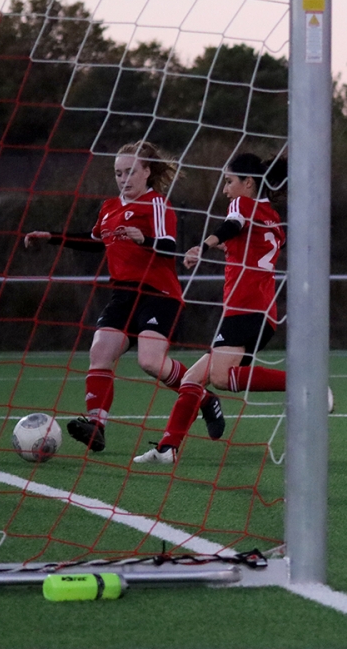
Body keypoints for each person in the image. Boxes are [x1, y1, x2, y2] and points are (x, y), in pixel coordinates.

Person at [25, 141, 223, 453]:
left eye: (130, 171)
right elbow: (94, 241)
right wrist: (52, 237)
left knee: (150, 362)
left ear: (147, 171)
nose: (123, 178)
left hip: (159, 294)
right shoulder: (109, 208)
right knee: (100, 351)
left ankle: (205, 398)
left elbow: (170, 246)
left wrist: (144, 239)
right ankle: (96, 425)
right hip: (123, 294)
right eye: (118, 173)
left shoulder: (156, 204)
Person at [134, 152, 320, 463]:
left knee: (221, 378)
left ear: (248, 183)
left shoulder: (242, 205)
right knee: (193, 379)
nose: (225, 189)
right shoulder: (271, 217)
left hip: (245, 309)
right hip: (260, 312)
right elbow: (257, 242)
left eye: (229, 181)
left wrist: (204, 245)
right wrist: (229, 247)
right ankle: (168, 448)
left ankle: (303, 384)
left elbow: (233, 224)